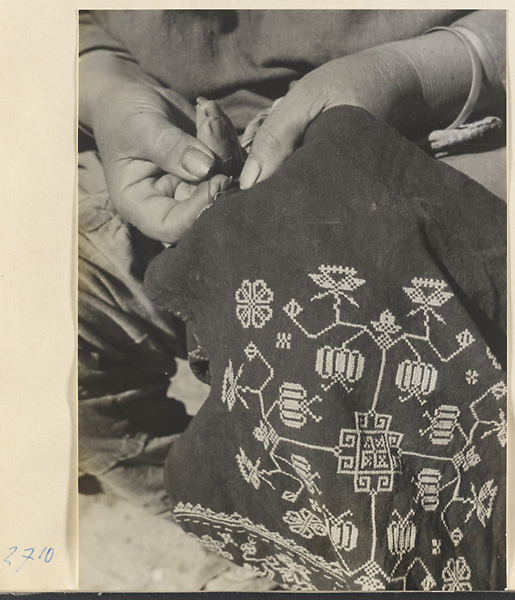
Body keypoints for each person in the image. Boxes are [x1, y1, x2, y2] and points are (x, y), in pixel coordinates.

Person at [78, 8, 506, 553]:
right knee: (41, 335)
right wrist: (106, 85)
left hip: (436, 129)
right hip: (186, 155)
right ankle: (265, 547)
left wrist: (415, 73)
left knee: (382, 419)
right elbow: (55, 25)